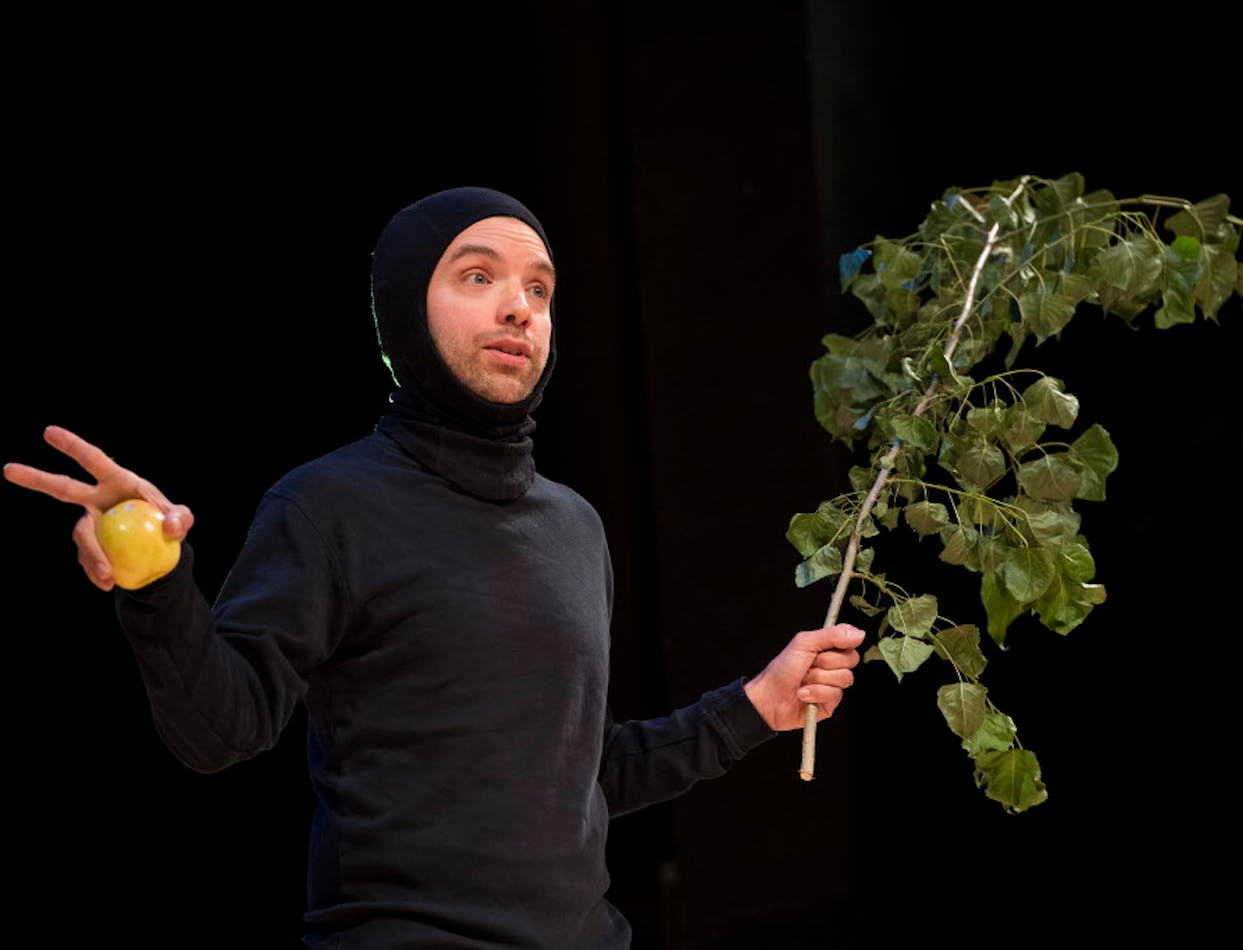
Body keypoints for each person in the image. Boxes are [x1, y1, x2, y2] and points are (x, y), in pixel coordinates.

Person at [3, 186, 865, 948]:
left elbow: (575, 777)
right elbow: (221, 730)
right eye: (478, 276)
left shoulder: (573, 527)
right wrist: (156, 584)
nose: (520, 308)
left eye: (539, 288)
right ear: (405, 310)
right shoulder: (328, 506)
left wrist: (759, 706)